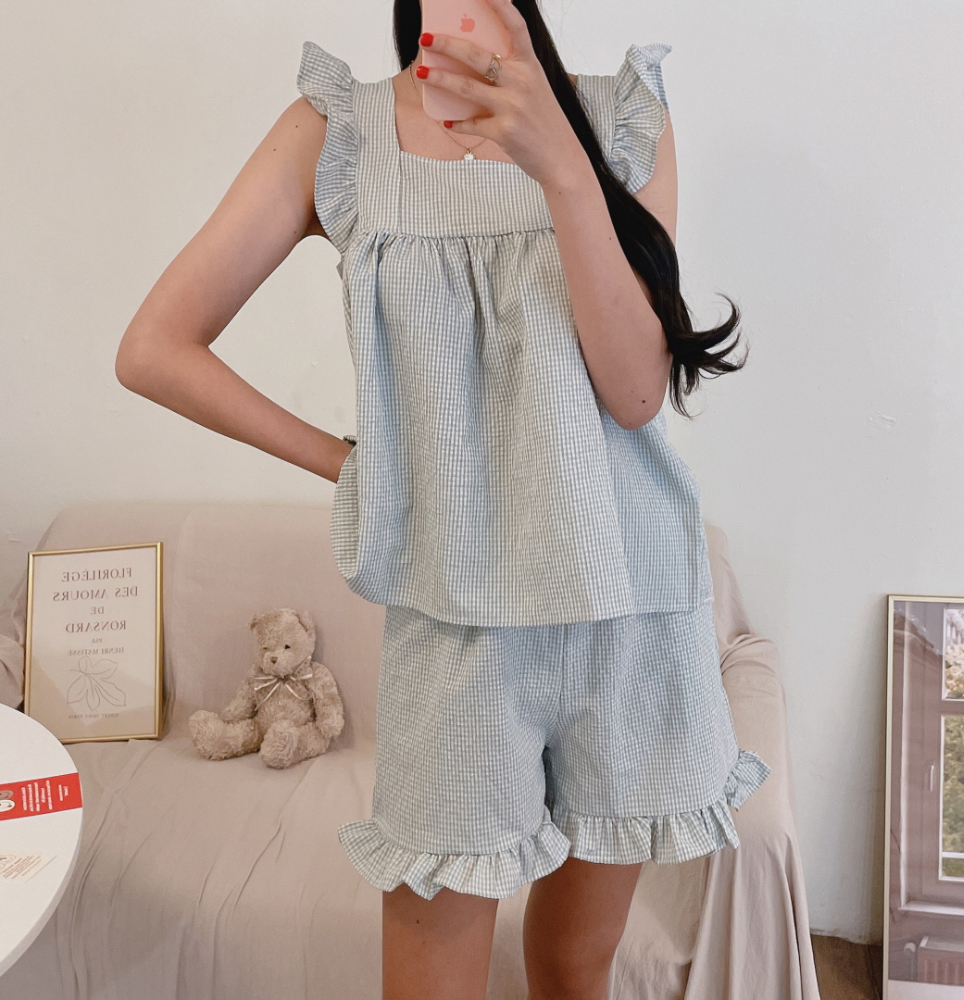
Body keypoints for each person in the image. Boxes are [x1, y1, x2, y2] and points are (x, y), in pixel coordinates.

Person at [115, 0, 771, 996]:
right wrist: (354, 464)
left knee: (575, 970)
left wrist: (563, 168)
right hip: (456, 626)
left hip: (632, 611)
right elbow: (155, 349)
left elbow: (637, 394)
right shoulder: (339, 132)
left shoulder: (619, 117)